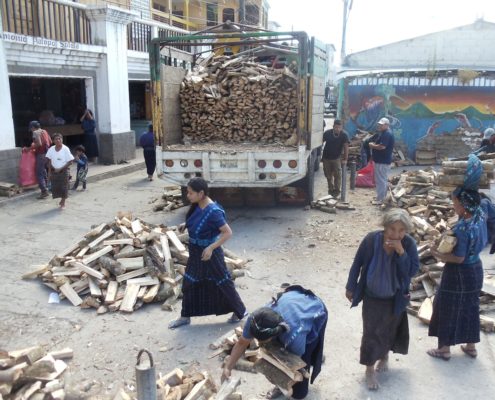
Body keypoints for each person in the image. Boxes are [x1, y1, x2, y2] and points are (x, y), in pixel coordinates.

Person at [345, 208, 419, 390]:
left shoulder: (408, 244)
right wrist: (350, 286)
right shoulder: (371, 240)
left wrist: (401, 253)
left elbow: (411, 271)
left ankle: (384, 355)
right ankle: (370, 369)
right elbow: (357, 263)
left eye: (401, 230)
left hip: (395, 297)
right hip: (372, 296)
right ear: (385, 227)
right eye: (392, 229)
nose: (396, 234)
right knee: (370, 333)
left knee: (389, 330)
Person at [428, 155, 487, 360]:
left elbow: (458, 258)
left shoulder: (463, 227)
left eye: (455, 203)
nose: (453, 206)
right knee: (470, 306)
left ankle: (444, 349)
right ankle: (471, 346)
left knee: (446, 305)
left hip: (459, 272)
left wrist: (438, 254)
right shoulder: (480, 214)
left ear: (463, 205)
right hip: (476, 269)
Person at [222, 285, 328, 399]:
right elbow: (242, 343)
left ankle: (313, 357)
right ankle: (314, 356)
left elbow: (294, 362)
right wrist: (228, 367)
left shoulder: (292, 337)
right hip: (293, 302)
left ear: (275, 334)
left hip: (315, 309)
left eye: (263, 340)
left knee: (299, 392)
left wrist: (284, 383)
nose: (259, 342)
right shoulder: (255, 320)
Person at [168, 177, 247, 329]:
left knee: (223, 283)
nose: (188, 196)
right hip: (196, 252)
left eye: (190, 193)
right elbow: (199, 221)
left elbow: (227, 233)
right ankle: (185, 316)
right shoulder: (198, 205)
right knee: (189, 282)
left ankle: (240, 311)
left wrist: (211, 248)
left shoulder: (214, 212)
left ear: (201, 193)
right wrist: (186, 225)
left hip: (210, 255)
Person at [369, 117, 394, 206]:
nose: (379, 126)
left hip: (382, 161)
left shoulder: (387, 134)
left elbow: (382, 147)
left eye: (381, 124)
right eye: (379, 124)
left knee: (381, 180)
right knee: (380, 180)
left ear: (387, 125)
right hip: (381, 160)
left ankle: (381, 199)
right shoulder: (384, 133)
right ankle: (380, 197)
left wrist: (372, 146)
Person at [45, 133, 74, 209]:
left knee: (64, 187)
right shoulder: (51, 149)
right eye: (56, 139)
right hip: (54, 171)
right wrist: (49, 173)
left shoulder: (65, 149)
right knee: (56, 187)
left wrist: (60, 168)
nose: (58, 140)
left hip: (64, 171)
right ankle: (62, 199)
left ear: (62, 139)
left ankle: (63, 202)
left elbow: (70, 161)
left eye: (59, 138)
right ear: (53, 141)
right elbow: (49, 161)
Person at [322, 119, 349, 197]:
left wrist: (345, 159)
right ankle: (330, 190)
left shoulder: (344, 135)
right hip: (326, 158)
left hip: (336, 158)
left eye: (339, 127)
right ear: (333, 127)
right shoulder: (327, 133)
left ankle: (336, 192)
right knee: (328, 175)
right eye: (336, 127)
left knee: (338, 175)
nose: (337, 129)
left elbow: (346, 147)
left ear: (341, 128)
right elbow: (320, 143)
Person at [27, 121, 52, 199]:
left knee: (39, 173)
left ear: (33, 127)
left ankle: (44, 191)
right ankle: (47, 187)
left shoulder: (35, 133)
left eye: (31, 128)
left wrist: (29, 148)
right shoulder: (44, 131)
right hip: (47, 153)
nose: (31, 130)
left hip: (41, 154)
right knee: (44, 170)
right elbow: (50, 141)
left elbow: (39, 144)